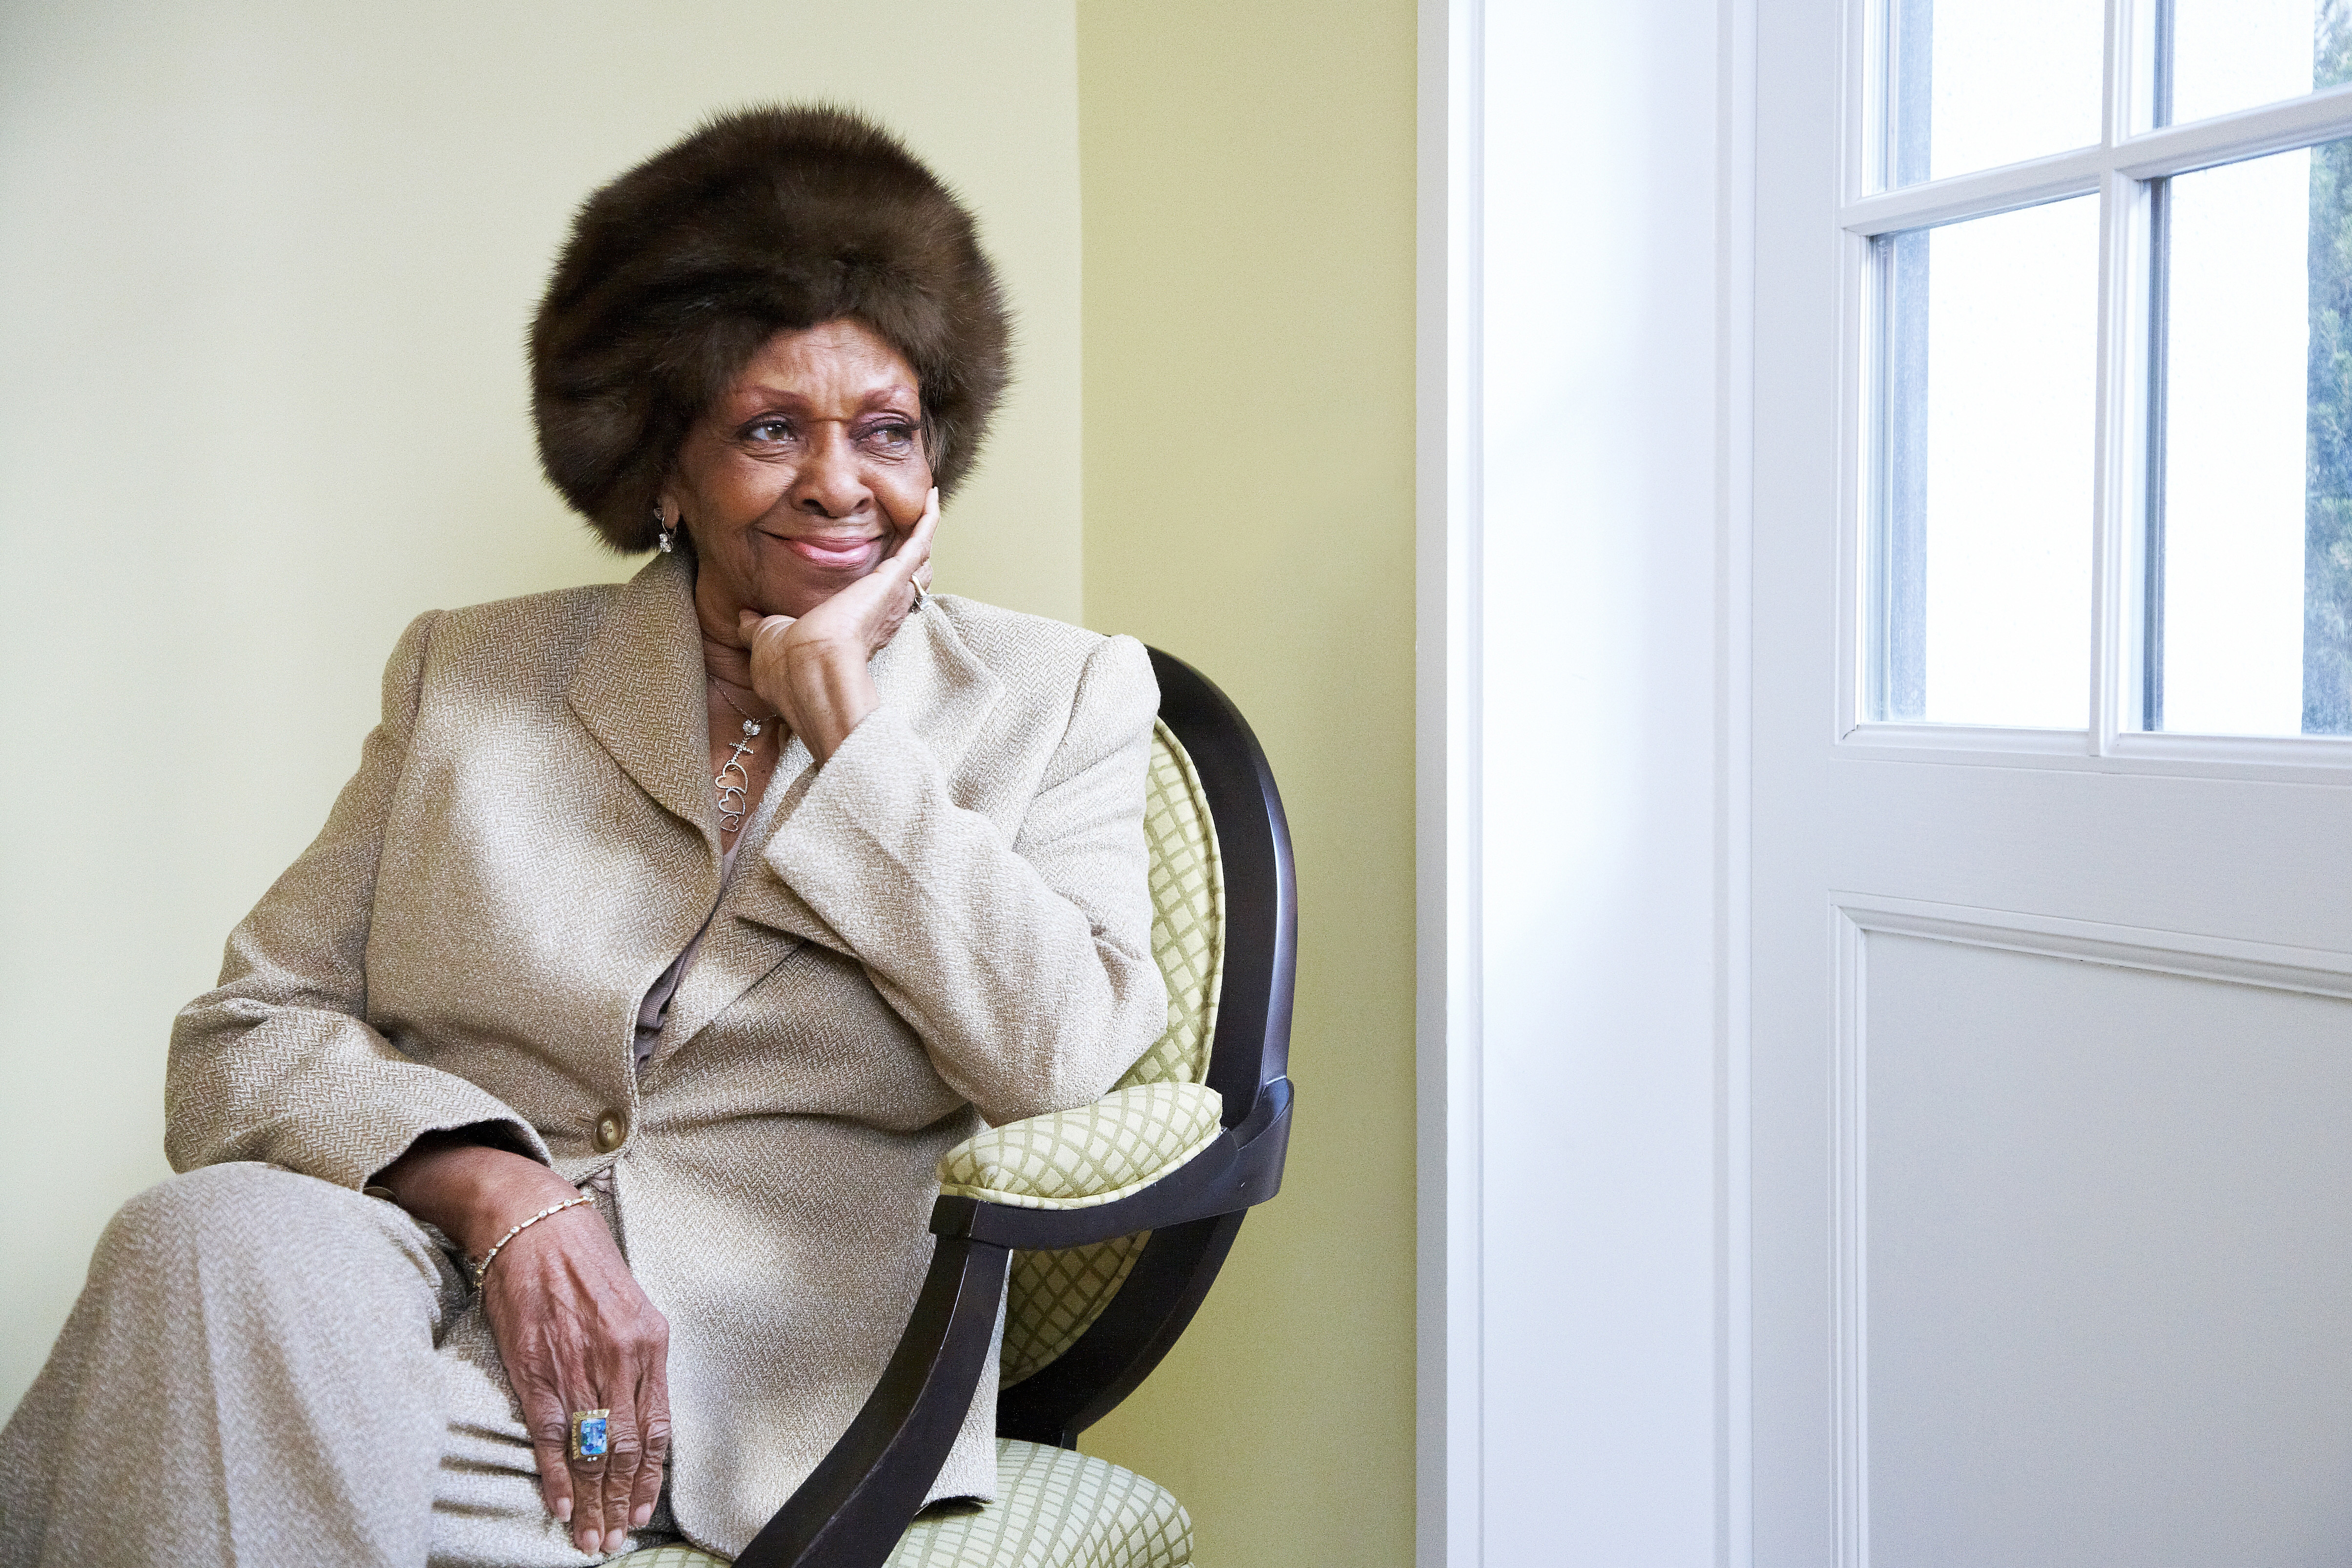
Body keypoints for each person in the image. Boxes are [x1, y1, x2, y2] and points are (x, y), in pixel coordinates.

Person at [0, 105, 1167, 1568]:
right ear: (660, 472)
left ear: (938, 456)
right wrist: (494, 1185)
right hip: (400, 1294)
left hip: (739, 1382)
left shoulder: (1056, 696)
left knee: (174, 1435)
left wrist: (852, 741)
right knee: (200, 1248)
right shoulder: (469, 675)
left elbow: (1058, 1052)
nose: (836, 481)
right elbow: (242, 1034)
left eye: (886, 431)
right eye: (766, 429)